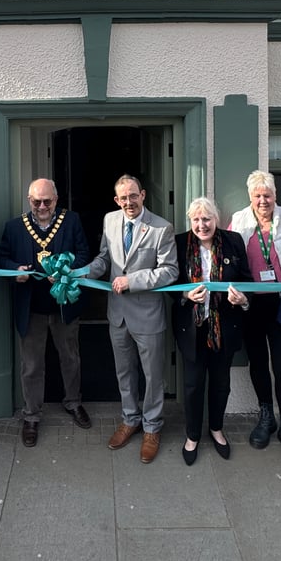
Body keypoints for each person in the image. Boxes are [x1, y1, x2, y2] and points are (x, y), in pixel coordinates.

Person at [88, 174, 178, 464]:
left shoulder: (162, 228)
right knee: (124, 372)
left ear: (143, 195)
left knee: (152, 376)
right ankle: (130, 419)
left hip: (148, 316)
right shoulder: (110, 220)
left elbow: (169, 271)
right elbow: (104, 258)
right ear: (117, 200)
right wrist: (82, 273)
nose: (128, 202)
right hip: (117, 315)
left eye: (133, 196)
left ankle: (152, 428)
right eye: (123, 198)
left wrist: (131, 280)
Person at [0, 178, 91, 448]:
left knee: (70, 357)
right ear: (29, 200)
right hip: (31, 308)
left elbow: (84, 253)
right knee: (32, 365)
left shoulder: (70, 221)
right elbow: (1, 258)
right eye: (36, 201)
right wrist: (16, 271)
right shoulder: (14, 227)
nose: (41, 206)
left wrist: (66, 271)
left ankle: (73, 402)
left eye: (47, 201)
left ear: (56, 200)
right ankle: (32, 415)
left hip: (65, 306)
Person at [229, 170, 281, 468]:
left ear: (275, 196)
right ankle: (267, 417)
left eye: (267, 195)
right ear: (250, 197)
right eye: (257, 196)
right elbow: (229, 261)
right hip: (251, 305)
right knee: (258, 365)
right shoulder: (239, 221)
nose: (263, 201)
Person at [173, 197, 252, 465]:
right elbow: (169, 284)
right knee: (193, 385)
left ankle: (216, 429)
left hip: (225, 327)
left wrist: (242, 300)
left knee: (221, 384)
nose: (201, 224)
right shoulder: (179, 243)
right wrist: (185, 294)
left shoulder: (233, 241)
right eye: (196, 219)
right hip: (192, 328)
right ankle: (192, 436)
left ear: (216, 219)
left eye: (206, 219)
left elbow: (246, 281)